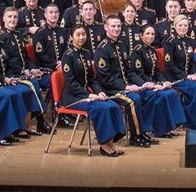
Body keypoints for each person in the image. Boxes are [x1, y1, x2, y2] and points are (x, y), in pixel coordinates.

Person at [59, 23, 127, 156]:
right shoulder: (67, 55)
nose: (81, 37)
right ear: (71, 37)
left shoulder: (87, 53)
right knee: (100, 108)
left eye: (83, 34)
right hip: (73, 97)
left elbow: (92, 79)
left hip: (88, 95)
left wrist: (99, 91)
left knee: (111, 104)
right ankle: (103, 144)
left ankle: (111, 141)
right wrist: (88, 95)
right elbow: (70, 82)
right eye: (78, 35)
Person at [94, 14, 159, 148]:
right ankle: (135, 136)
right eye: (113, 26)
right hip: (111, 89)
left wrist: (142, 83)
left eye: (118, 26)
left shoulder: (122, 45)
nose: (117, 28)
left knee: (149, 94)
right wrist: (126, 87)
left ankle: (144, 131)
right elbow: (105, 78)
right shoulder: (102, 49)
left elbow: (129, 71)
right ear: (106, 27)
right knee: (133, 100)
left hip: (126, 86)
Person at [0, 15, 49, 136]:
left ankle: (20, 126)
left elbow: (8, 65)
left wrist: (14, 76)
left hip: (8, 77)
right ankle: (10, 130)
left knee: (25, 89)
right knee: (17, 92)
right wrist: (4, 79)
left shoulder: (0, 44)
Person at [129, 24, 188, 137]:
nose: (150, 36)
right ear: (141, 35)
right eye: (147, 34)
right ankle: (159, 130)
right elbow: (138, 73)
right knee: (162, 96)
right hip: (141, 84)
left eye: (152, 34)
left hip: (153, 84)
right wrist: (154, 84)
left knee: (171, 93)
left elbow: (156, 72)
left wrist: (164, 81)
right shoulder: (137, 51)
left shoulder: (152, 50)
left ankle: (171, 126)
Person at [32, 4, 69, 74]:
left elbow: (67, 49)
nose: (54, 15)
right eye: (51, 12)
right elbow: (40, 54)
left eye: (56, 12)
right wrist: (56, 64)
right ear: (45, 15)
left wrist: (63, 61)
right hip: (47, 68)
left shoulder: (64, 31)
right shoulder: (40, 33)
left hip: (63, 65)